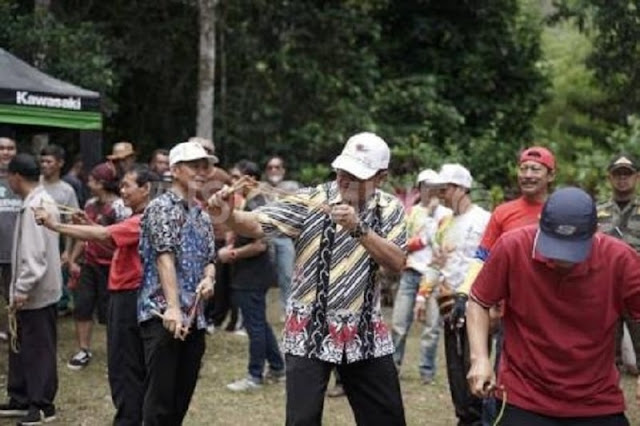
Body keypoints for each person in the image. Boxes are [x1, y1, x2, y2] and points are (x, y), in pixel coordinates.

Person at [209, 132, 407, 426]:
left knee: (386, 418)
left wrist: (358, 227)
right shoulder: (308, 200)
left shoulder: (390, 208)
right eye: (342, 170)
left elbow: (397, 263)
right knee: (301, 420)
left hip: (364, 330)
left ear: (380, 177)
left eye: (356, 174)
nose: (345, 178)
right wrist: (227, 213)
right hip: (308, 330)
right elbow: (255, 224)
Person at [467, 187, 640, 426]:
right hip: (524, 396)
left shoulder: (620, 259)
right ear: (539, 223)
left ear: (595, 232)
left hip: (596, 400)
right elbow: (478, 300)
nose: (562, 259)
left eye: (573, 250)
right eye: (556, 246)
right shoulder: (513, 247)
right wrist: (480, 359)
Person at [34, 164, 157, 426]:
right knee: (127, 363)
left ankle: (129, 419)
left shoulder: (144, 218)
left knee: (124, 366)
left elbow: (104, 234)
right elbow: (110, 240)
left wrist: (55, 225)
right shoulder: (136, 217)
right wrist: (88, 224)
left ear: (146, 189)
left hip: (130, 295)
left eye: (127, 186)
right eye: (121, 185)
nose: (121, 191)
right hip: (126, 294)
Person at [458, 146, 555, 423]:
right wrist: (465, 293)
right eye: (523, 168)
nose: (527, 174)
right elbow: (482, 257)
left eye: (535, 169)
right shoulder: (503, 212)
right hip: (510, 314)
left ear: (550, 175)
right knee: (503, 377)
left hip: (554, 312)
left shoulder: (559, 211)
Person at [138, 141, 216, 425]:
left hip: (194, 317)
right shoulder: (161, 207)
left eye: (205, 166)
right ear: (175, 170)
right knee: (160, 400)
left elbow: (210, 258)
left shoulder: (202, 212)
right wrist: (172, 308)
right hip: (164, 315)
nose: (202, 171)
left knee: (181, 397)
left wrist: (209, 278)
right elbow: (163, 258)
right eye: (194, 165)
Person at [427, 163, 490, 426]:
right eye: (440, 189)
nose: (442, 193)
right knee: (454, 365)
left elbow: (490, 260)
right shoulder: (444, 221)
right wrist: (428, 292)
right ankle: (463, 416)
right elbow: (437, 261)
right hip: (448, 301)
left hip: (476, 303)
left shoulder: (484, 218)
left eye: (447, 188)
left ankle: (477, 418)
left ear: (463, 187)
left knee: (472, 362)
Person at [0, 154, 61, 425]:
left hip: (37, 292)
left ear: (15, 176)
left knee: (38, 348)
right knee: (21, 344)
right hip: (30, 291)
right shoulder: (35, 201)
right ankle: (21, 397)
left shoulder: (38, 204)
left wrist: (22, 287)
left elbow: (35, 255)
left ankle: (42, 404)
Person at [221, 160, 285, 391]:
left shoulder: (258, 203)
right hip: (247, 274)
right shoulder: (249, 201)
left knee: (254, 326)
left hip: (253, 274)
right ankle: (277, 367)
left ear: (249, 180)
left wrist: (233, 253)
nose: (231, 182)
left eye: (235, 177)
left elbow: (260, 245)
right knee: (257, 322)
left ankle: (254, 376)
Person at [66, 162, 129, 370]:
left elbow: (122, 238)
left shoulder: (120, 207)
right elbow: (83, 236)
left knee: (112, 312)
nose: (88, 182)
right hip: (89, 264)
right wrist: (74, 259)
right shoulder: (90, 204)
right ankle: (83, 350)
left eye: (92, 179)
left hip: (112, 266)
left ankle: (118, 351)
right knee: (82, 305)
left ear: (101, 183)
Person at [391, 168, 451, 384]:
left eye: (435, 187)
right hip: (411, 273)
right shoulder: (411, 212)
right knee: (399, 324)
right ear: (419, 189)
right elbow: (402, 243)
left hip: (434, 275)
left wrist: (431, 224)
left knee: (432, 328)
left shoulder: (446, 214)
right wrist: (422, 238)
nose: (431, 191)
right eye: (426, 187)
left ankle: (427, 372)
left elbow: (441, 245)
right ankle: (393, 367)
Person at [598, 153, 640, 376]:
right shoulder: (597, 212)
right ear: (609, 178)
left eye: (627, 174)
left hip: (637, 290)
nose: (622, 179)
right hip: (605, 292)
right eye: (617, 174)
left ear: (637, 177)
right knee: (604, 355)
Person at [39, 144, 80, 316]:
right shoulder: (35, 183)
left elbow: (71, 221)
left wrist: (68, 252)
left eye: (49, 161)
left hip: (55, 244)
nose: (45, 165)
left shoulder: (67, 190)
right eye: (42, 161)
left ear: (60, 163)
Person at [263, 155, 299, 314]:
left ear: (283, 170)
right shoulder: (260, 187)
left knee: (287, 275)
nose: (273, 170)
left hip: (285, 239)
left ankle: (288, 310)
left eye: (277, 167)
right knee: (261, 276)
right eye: (270, 167)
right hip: (264, 239)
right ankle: (259, 311)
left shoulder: (292, 186)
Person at [0, 137, 20, 339]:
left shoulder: (22, 177)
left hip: (15, 249)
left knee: (12, 293)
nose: (6, 152)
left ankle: (11, 328)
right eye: (2, 148)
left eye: (10, 148)